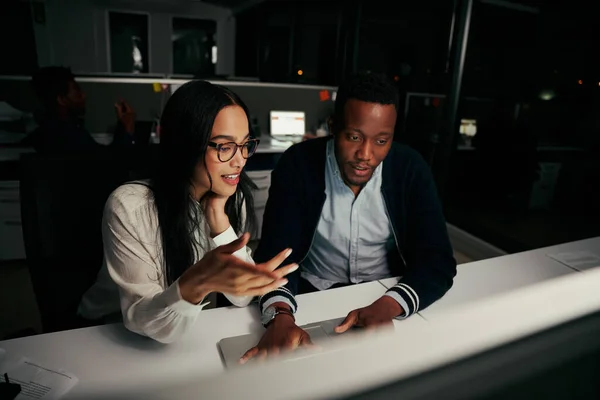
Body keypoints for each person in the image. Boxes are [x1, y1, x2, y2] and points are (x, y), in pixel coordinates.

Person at [241, 72, 457, 362]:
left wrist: (390, 304)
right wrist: (281, 314)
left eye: (381, 141)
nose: (365, 154)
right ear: (333, 127)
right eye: (354, 137)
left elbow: (438, 260)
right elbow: (274, 255)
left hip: (386, 291)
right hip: (312, 294)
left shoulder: (410, 168)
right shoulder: (298, 164)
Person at [77, 80, 297, 343]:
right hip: (110, 337)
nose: (240, 160)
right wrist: (199, 282)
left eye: (245, 144)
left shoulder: (229, 196)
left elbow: (242, 297)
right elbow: (149, 324)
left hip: (185, 332)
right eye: (225, 147)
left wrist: (220, 222)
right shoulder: (130, 207)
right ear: (186, 145)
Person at [22, 66, 136, 153]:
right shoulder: (68, 136)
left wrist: (122, 126)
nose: (84, 95)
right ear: (62, 100)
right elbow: (112, 164)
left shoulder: (47, 131)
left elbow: (104, 155)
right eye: (77, 92)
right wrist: (127, 129)